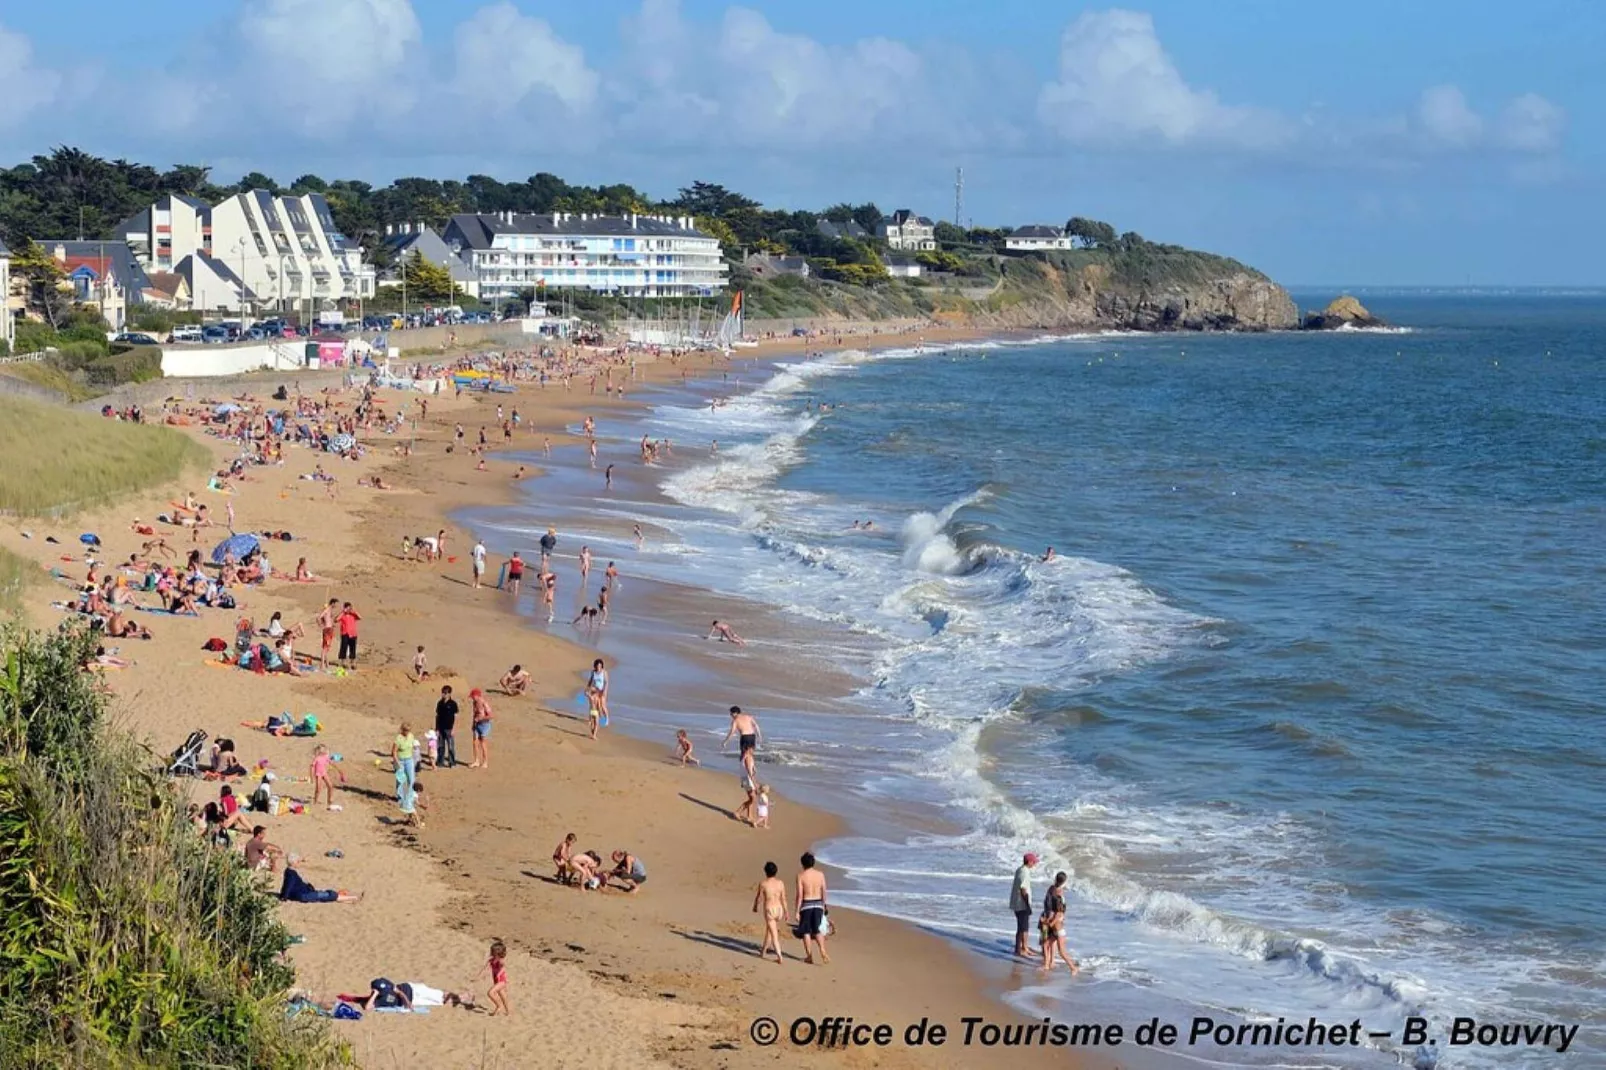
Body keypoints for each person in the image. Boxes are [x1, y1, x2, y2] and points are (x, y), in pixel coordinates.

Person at [1040, 871, 1078, 974]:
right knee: (1046, 944)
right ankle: (1047, 965)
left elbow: (1054, 920)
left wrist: (1046, 921)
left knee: (1062, 952)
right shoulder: (1059, 895)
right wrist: (1048, 921)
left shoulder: (1053, 891)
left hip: (1059, 931)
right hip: (1056, 929)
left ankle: (1073, 968)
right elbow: (1058, 914)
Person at [795, 852, 830, 964]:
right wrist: (824, 905)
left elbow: (800, 895)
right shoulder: (820, 874)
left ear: (803, 864)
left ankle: (809, 956)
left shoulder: (801, 876)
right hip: (818, 903)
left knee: (806, 931)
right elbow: (824, 891)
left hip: (807, 904)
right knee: (816, 930)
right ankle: (823, 950)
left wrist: (797, 910)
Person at [279, 857, 361, 903]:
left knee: (326, 894)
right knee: (329, 895)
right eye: (297, 862)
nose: (298, 863)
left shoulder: (288, 871)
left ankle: (347, 899)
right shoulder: (291, 874)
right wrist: (284, 897)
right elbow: (288, 886)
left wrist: (283, 895)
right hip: (303, 895)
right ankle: (354, 898)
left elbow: (286, 886)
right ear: (293, 863)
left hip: (304, 893)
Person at [753, 861, 788, 965]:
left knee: (774, 935)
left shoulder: (763, 884)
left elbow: (759, 898)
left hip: (770, 910)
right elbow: (784, 898)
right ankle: (763, 952)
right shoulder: (780, 883)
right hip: (779, 909)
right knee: (769, 930)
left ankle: (779, 956)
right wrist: (786, 912)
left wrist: (755, 906)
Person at [471, 939, 510, 1016]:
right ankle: (508, 1011)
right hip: (496, 981)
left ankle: (499, 1006)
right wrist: (478, 977)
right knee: (502, 995)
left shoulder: (500, 961)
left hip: (501, 981)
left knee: (490, 993)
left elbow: (502, 964)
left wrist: (501, 960)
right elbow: (485, 969)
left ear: (498, 953)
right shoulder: (491, 961)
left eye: (493, 952)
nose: (491, 953)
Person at [723, 706, 761, 783]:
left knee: (744, 756)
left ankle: (750, 774)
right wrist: (759, 736)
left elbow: (732, 732)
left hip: (745, 737)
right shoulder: (748, 717)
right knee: (750, 753)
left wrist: (726, 741)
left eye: (731, 714)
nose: (731, 716)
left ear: (735, 713)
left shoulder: (736, 720)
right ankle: (753, 767)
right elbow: (756, 726)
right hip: (752, 736)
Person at [1011, 852, 1039, 958]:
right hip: (1021, 903)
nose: (1034, 864)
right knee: (1023, 927)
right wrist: (1027, 905)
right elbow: (1023, 889)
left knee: (1022, 927)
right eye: (1034, 862)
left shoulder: (1020, 869)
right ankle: (1021, 948)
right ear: (1030, 862)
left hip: (1018, 903)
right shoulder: (1024, 872)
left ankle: (1022, 947)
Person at [311, 744, 345, 808]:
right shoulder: (317, 758)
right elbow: (312, 767)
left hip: (324, 773)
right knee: (318, 788)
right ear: (320, 751)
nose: (325, 750)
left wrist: (339, 770)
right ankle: (315, 800)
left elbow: (332, 763)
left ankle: (329, 800)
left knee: (330, 786)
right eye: (324, 749)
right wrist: (311, 776)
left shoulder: (326, 757)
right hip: (318, 774)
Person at [434, 685, 459, 768]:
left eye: (445, 693)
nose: (443, 695)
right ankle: (440, 762)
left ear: (449, 694)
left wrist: (454, 729)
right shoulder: (439, 703)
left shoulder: (453, 704)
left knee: (451, 747)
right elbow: (437, 716)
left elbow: (456, 717)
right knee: (440, 746)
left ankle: (452, 762)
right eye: (443, 693)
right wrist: (436, 729)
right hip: (441, 728)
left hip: (449, 728)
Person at [584, 659, 609, 739]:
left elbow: (606, 682)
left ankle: (606, 718)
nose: (598, 667)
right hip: (595, 692)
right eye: (597, 666)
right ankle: (593, 733)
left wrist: (604, 691)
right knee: (594, 720)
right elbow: (590, 681)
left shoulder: (604, 672)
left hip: (601, 691)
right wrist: (588, 689)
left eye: (600, 666)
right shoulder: (593, 672)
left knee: (602, 706)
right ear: (595, 666)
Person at [392, 722, 420, 794]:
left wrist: (415, 759)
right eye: (406, 730)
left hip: (409, 760)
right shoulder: (398, 738)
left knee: (411, 779)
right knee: (400, 780)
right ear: (402, 730)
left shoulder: (411, 736)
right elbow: (394, 752)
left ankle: (411, 795)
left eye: (408, 730)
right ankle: (400, 797)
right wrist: (397, 763)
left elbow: (413, 748)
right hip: (400, 761)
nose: (407, 732)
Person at [469, 688, 493, 769]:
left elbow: (490, 716)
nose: (472, 698)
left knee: (483, 743)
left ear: (477, 696)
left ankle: (485, 762)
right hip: (476, 724)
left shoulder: (483, 703)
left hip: (484, 724)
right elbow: (474, 713)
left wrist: (481, 718)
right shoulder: (474, 703)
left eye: (473, 696)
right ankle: (476, 761)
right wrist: (473, 723)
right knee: (475, 742)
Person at [316, 598, 339, 670]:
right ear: (333, 603)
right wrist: (321, 624)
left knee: (327, 647)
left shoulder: (330, 610)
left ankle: (327, 663)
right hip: (327, 629)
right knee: (325, 647)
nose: (336, 606)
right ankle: (322, 665)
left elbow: (329, 619)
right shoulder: (327, 609)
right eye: (336, 604)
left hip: (330, 629)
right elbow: (319, 617)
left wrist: (332, 624)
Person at [336, 602, 361, 669]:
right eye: (347, 607)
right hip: (345, 633)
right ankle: (343, 662)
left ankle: (352, 663)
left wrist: (353, 611)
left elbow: (360, 617)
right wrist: (343, 612)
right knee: (344, 648)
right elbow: (336, 619)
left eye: (350, 607)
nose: (349, 609)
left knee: (353, 649)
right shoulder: (343, 615)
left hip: (353, 634)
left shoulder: (353, 615)